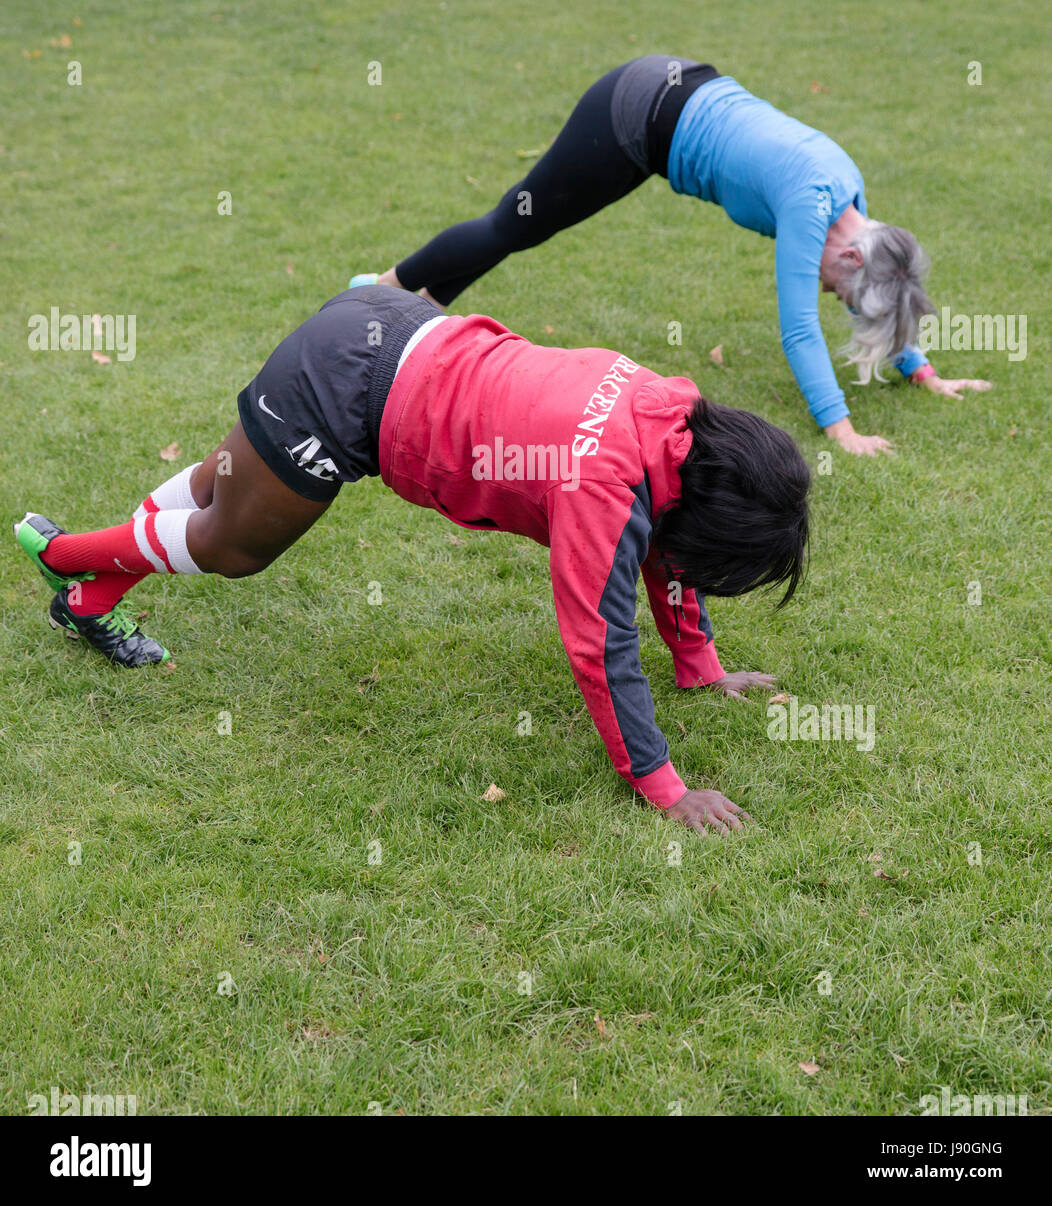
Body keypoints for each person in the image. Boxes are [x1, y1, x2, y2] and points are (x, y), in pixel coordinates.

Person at [14, 286, 810, 834]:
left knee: (220, 483)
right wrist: (663, 788)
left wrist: (702, 667)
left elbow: (669, 548)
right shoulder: (604, 488)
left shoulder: (672, 413)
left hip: (389, 323)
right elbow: (601, 645)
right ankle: (63, 555)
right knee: (232, 544)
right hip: (349, 393)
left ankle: (83, 598)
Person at [365, 56, 990, 456]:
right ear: (852, 260)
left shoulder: (851, 207)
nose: (834, 298)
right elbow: (798, 326)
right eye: (843, 295)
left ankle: (421, 304)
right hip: (634, 114)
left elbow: (887, 285)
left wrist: (922, 371)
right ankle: (380, 287)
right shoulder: (812, 205)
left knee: (518, 229)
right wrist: (841, 430)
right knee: (515, 222)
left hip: (678, 97)